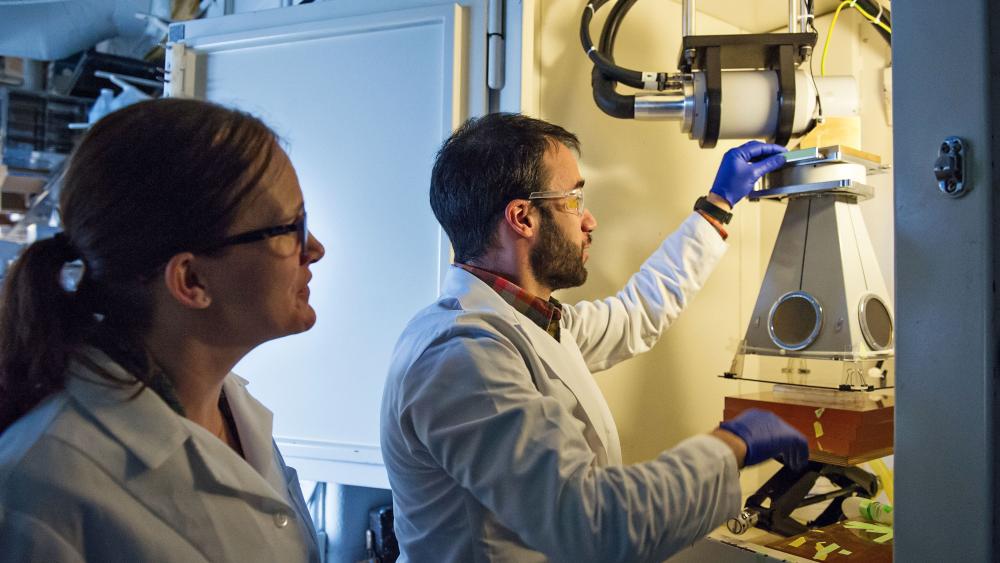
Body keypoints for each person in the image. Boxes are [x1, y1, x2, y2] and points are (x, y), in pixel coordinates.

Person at [380, 113, 809, 562]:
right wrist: (732, 444)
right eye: (573, 200)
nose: (589, 221)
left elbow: (636, 313)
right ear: (522, 217)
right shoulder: (463, 355)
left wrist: (717, 206)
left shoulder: (530, 322)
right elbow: (590, 521)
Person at [0, 98, 325, 562]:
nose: (314, 248)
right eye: (291, 227)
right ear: (190, 281)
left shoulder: (233, 414)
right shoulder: (41, 492)